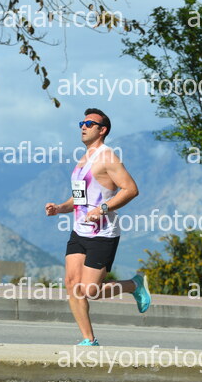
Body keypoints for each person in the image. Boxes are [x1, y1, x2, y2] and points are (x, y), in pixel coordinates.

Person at [45, 108, 151, 347]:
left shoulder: (107, 157)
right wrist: (60, 208)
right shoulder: (83, 160)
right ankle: (89, 339)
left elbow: (131, 189)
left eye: (89, 124)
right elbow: (79, 199)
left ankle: (134, 285)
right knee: (72, 285)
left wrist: (103, 209)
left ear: (102, 130)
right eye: (82, 123)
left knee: (90, 291)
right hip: (79, 231)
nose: (83, 127)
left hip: (103, 233)